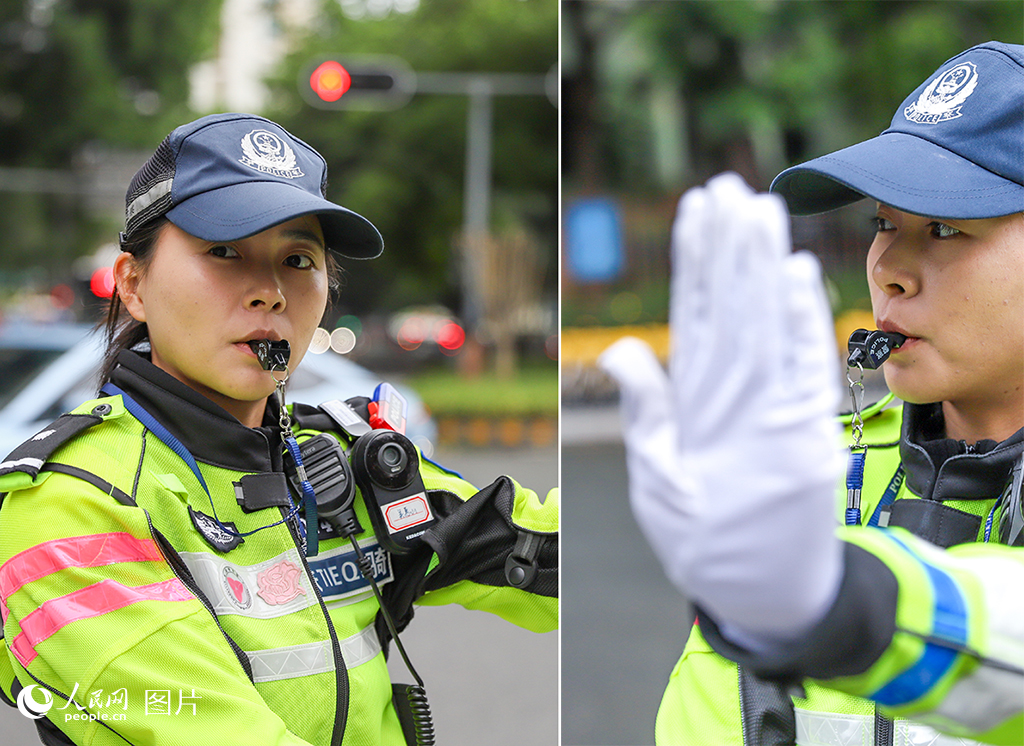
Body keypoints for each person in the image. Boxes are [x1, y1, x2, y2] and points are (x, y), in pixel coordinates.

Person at [0, 112, 558, 746]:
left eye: (297, 258)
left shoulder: (346, 461)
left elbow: (535, 548)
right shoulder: (65, 508)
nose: (268, 291)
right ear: (134, 284)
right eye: (223, 252)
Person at [600, 41, 1022, 746]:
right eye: (883, 223)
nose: (888, 269)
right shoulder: (799, 472)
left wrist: (844, 605)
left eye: (946, 228)